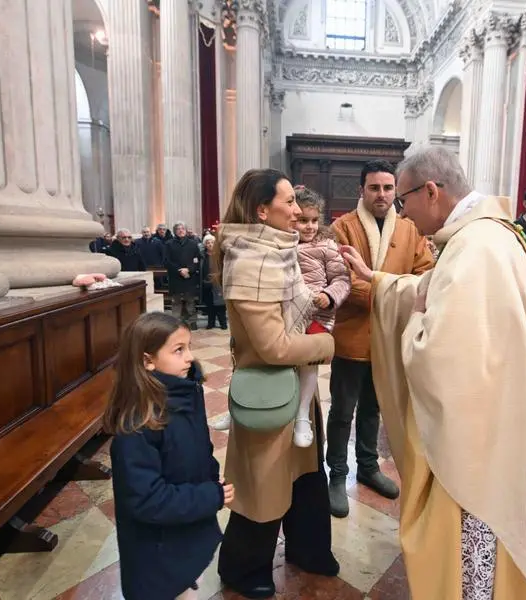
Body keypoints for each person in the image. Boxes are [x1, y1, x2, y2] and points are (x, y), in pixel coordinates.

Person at [340, 146, 526, 599]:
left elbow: (442, 353)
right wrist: (378, 279)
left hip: (483, 433)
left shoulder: (475, 247)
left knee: (478, 523)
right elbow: (432, 290)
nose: (403, 214)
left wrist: (415, 325)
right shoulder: (482, 238)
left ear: (430, 191)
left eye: (403, 201)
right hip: (499, 409)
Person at [214, 169, 338, 599]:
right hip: (267, 393)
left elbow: (302, 307)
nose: (296, 209)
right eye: (287, 202)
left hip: (294, 391)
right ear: (261, 210)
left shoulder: (280, 251)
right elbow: (271, 347)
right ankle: (242, 569)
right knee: (262, 488)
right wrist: (326, 346)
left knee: (304, 478)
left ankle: (307, 550)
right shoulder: (251, 260)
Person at [328, 159, 434, 518]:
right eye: (374, 187)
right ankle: (337, 474)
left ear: (396, 192)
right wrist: (393, 293)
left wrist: (395, 292)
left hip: (390, 339)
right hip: (352, 337)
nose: (382, 194)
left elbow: (426, 275)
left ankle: (369, 467)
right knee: (342, 411)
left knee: (376, 408)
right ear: (362, 190)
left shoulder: (408, 229)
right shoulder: (341, 227)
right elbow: (342, 280)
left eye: (389, 188)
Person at [105, 312, 234, 600]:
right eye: (179, 350)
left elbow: (201, 446)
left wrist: (211, 477)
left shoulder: (187, 394)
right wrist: (209, 496)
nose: (190, 357)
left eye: (189, 346)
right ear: (147, 361)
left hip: (183, 531)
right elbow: (147, 500)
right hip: (156, 552)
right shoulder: (137, 426)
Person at [293, 186, 350, 447]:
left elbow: (341, 278)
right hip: (286, 313)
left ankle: (302, 413)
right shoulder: (281, 243)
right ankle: (245, 404)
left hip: (318, 313)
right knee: (270, 355)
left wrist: (329, 295)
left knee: (309, 363)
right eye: (303, 220)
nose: (309, 226)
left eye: (314, 220)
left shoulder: (326, 245)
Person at [165, 222, 204, 330]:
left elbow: (197, 260)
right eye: (178, 229)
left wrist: (189, 269)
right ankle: (176, 324)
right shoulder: (169, 244)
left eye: (182, 228)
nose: (181, 230)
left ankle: (192, 322)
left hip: (189, 277)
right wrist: (179, 270)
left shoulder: (193, 244)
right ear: (174, 231)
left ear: (186, 230)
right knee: (176, 302)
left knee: (190, 301)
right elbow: (167, 261)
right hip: (175, 277)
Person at [200, 235, 227, 330]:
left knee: (220, 304)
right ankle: (210, 323)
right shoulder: (202, 255)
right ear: (205, 245)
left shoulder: (219, 254)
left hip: (218, 282)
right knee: (209, 304)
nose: (210, 244)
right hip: (206, 282)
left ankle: (223, 323)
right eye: (208, 243)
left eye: (212, 242)